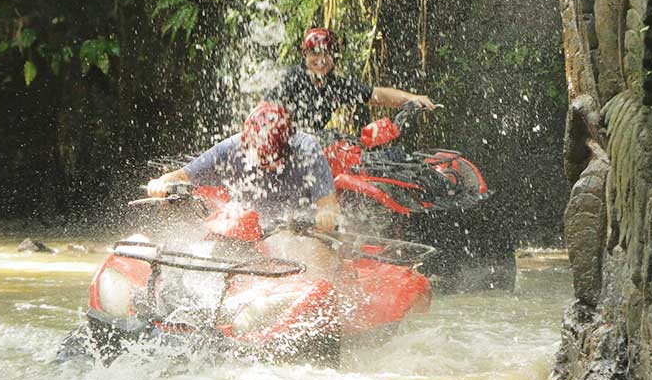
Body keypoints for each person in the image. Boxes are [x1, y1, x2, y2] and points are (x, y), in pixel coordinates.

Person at [146, 101, 341, 233]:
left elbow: (328, 205)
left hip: (296, 233)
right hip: (245, 230)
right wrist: (160, 183)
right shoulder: (233, 147)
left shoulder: (307, 150)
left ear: (288, 145)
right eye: (259, 157)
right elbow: (181, 176)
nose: (264, 164)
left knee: (318, 249)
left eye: (271, 159)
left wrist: (325, 216)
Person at [264, 27, 437, 132]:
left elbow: (377, 95)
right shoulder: (291, 80)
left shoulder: (335, 86)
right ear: (305, 55)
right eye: (315, 53)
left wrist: (412, 98)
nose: (322, 60)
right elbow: (264, 114)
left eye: (327, 53)